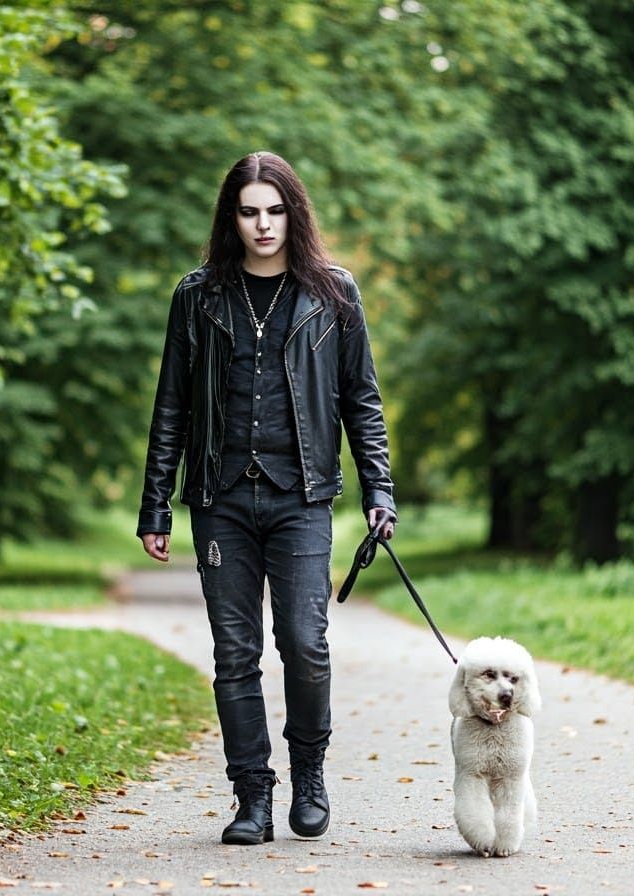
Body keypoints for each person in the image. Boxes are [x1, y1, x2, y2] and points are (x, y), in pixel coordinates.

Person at [137, 150, 397, 845]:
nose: (262, 225)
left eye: (274, 210)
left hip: (303, 497)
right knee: (234, 653)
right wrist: (156, 505)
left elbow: (361, 401)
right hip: (220, 499)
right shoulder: (197, 297)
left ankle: (308, 775)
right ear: (232, 217)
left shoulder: (333, 295)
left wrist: (380, 492)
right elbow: (172, 407)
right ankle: (252, 794)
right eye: (249, 211)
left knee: (305, 643)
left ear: (293, 213)